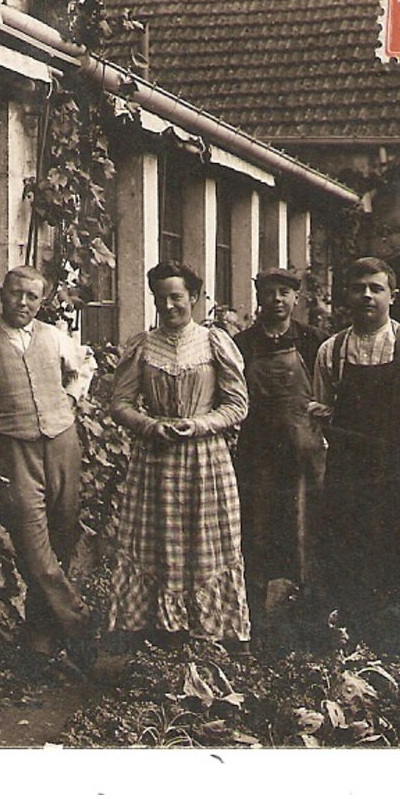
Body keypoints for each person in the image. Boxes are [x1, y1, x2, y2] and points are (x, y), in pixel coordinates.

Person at [310, 257, 400, 657]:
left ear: (393, 295)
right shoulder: (332, 350)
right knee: (349, 555)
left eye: (376, 288)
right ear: (347, 295)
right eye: (359, 288)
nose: (367, 295)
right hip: (349, 473)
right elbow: (322, 414)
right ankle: (354, 647)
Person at [107, 260, 251, 649]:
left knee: (206, 543)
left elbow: (238, 405)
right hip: (155, 460)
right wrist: (151, 426)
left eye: (177, 297)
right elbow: (120, 403)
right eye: (161, 298)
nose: (169, 306)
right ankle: (162, 633)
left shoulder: (213, 342)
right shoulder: (142, 346)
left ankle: (212, 635)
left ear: (194, 298)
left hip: (206, 459)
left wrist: (199, 425)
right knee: (159, 543)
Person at [0, 266, 94, 680]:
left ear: (42, 301)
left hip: (61, 443)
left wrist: (71, 400)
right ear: (1, 293)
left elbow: (83, 366)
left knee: (61, 536)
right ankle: (81, 626)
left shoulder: (54, 336)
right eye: (16, 294)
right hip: (12, 447)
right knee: (34, 548)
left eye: (32, 298)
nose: (23, 303)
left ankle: (41, 645)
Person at [232, 267, 328, 636]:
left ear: (296, 299)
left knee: (305, 527)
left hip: (303, 452)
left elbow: (328, 394)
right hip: (257, 453)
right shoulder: (242, 344)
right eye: (269, 292)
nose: (276, 300)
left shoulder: (314, 341)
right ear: (258, 297)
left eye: (284, 293)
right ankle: (252, 616)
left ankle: (307, 616)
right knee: (255, 528)